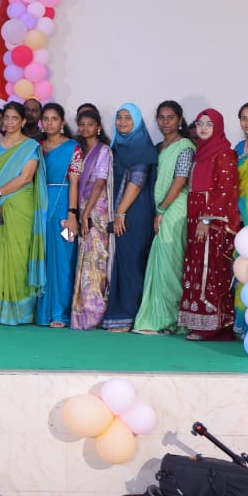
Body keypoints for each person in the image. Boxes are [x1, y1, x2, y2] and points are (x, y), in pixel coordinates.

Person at [0, 101, 45, 325]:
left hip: (19, 203)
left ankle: (16, 313)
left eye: (14, 118)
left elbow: (25, 178)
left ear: (23, 121)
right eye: (6, 117)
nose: (9, 122)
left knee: (17, 256)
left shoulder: (30, 146)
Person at [178, 109, 242, 340]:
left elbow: (226, 190)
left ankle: (212, 325)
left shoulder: (224, 153)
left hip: (212, 219)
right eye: (200, 123)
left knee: (210, 268)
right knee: (196, 266)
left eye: (209, 124)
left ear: (218, 127)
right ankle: (198, 322)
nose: (203, 128)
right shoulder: (200, 153)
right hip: (196, 213)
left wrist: (206, 218)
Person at [133, 101, 195, 334]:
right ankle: (160, 317)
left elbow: (180, 180)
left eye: (170, 118)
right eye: (161, 117)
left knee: (170, 264)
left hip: (175, 209)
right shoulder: (159, 147)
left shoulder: (185, 146)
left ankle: (169, 320)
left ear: (180, 120)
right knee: (160, 263)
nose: (165, 122)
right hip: (161, 208)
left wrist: (162, 210)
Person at [102, 103, 158, 332]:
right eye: (119, 117)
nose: (123, 122)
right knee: (120, 260)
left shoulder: (142, 147)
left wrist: (120, 213)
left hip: (134, 212)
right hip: (120, 211)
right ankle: (121, 313)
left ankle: (130, 314)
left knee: (131, 262)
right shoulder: (116, 146)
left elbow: (136, 182)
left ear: (137, 122)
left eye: (128, 117)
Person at [35, 104, 82, 328]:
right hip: (38, 205)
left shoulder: (73, 148)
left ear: (62, 122)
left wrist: (72, 213)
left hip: (63, 205)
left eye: (54, 119)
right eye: (46, 119)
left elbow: (75, 182)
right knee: (41, 256)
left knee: (63, 259)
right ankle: (41, 313)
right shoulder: (36, 147)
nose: (49, 123)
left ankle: (60, 313)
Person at [70, 107, 113, 330]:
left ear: (98, 127)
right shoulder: (79, 150)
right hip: (82, 207)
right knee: (83, 256)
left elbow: (100, 182)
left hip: (97, 210)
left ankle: (94, 312)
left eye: (90, 124)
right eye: (82, 124)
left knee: (95, 257)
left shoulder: (103, 150)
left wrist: (86, 213)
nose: (85, 128)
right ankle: (80, 312)